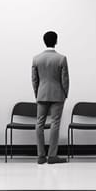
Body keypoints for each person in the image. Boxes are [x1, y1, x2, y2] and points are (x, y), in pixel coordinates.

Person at [32, 31, 69, 165]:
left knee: (39, 123)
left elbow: (34, 79)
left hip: (42, 94)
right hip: (57, 94)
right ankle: (52, 156)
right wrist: (65, 93)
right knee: (55, 123)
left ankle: (41, 156)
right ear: (56, 41)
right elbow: (65, 79)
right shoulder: (61, 58)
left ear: (44, 41)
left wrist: (37, 93)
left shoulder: (36, 59)